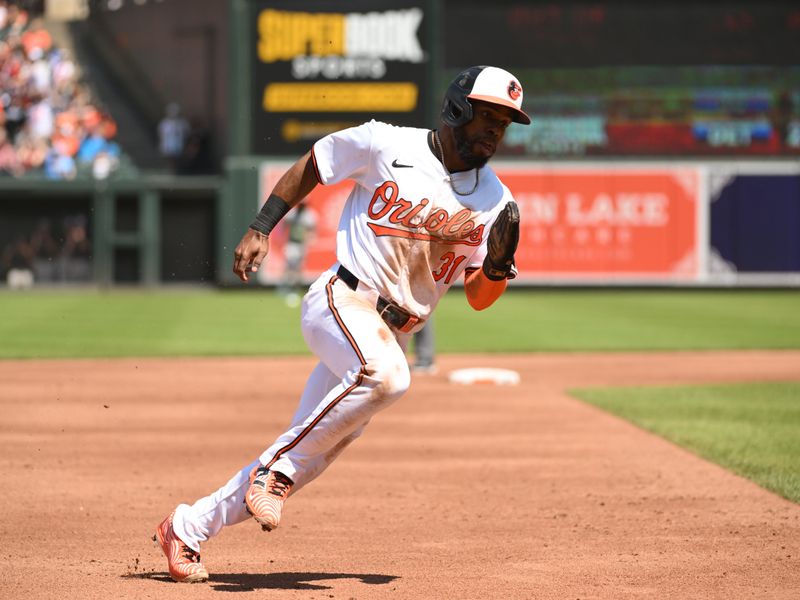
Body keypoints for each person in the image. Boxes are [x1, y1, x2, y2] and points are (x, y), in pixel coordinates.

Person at [153, 65, 530, 583]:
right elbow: (316, 162)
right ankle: (274, 471)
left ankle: (187, 527)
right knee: (389, 378)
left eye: (504, 123)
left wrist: (494, 268)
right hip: (343, 300)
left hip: (393, 330)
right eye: (488, 116)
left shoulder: (496, 201)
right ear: (457, 108)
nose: (495, 131)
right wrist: (261, 226)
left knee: (310, 450)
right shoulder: (384, 144)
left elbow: (480, 298)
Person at [278, 200, 317, 306]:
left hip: (302, 244)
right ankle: (284, 288)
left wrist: (310, 239)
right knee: (289, 267)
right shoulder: (293, 213)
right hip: (292, 243)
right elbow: (284, 224)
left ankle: (295, 289)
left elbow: (312, 230)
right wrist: (282, 236)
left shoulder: (309, 215)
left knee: (298, 269)